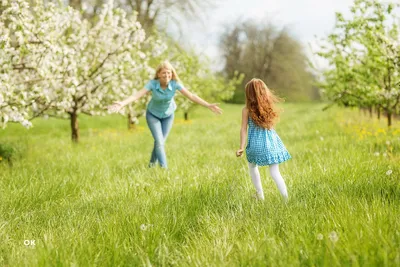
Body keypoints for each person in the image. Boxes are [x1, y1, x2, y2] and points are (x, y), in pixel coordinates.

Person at [108, 61, 222, 168]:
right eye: (164, 73)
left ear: (172, 74)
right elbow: (137, 95)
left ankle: (151, 166)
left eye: (169, 73)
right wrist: (122, 103)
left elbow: (191, 96)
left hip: (168, 116)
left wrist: (208, 105)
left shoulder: (175, 84)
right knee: (159, 142)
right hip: (153, 115)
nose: (166, 75)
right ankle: (164, 170)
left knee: (160, 142)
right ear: (158, 74)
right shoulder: (152, 84)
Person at [236, 78, 291, 201]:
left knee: (252, 166)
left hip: (256, 145)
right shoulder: (268, 107)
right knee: (275, 172)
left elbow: (243, 129)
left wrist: (241, 147)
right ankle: (286, 199)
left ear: (248, 94)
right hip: (271, 145)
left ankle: (260, 195)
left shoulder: (246, 110)